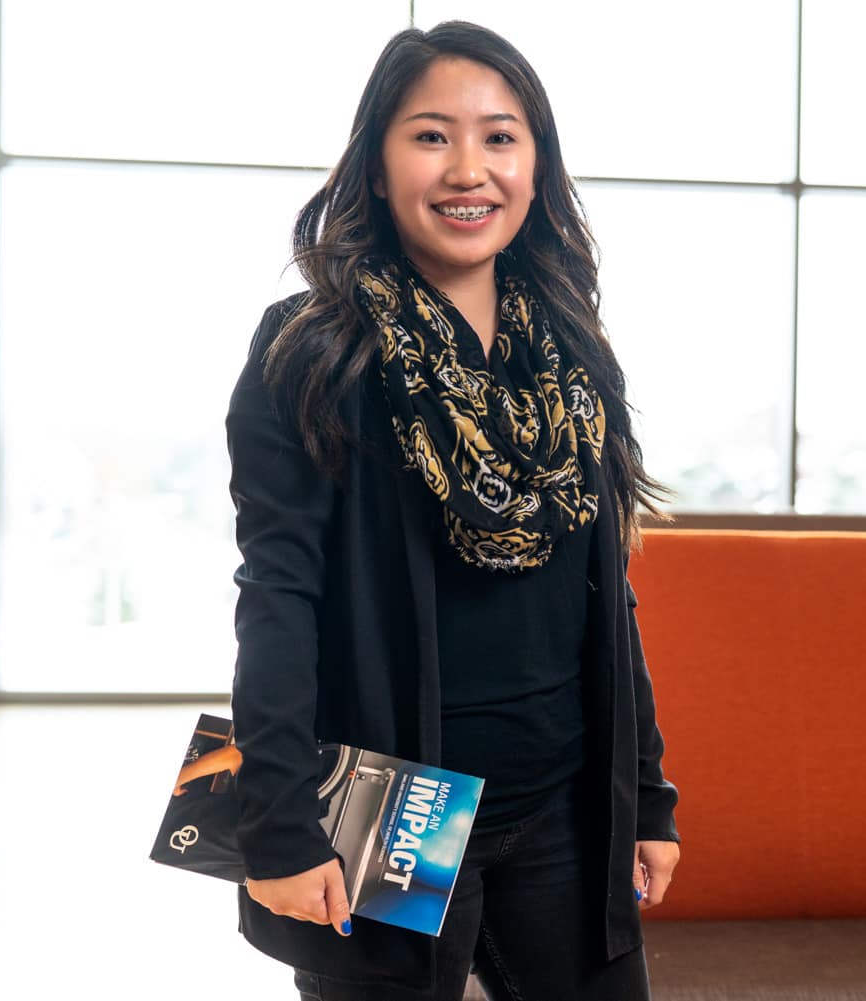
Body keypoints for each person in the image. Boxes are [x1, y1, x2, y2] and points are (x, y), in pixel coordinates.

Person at [223, 19, 681, 1001]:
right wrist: (277, 823)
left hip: (562, 798)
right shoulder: (314, 349)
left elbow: (610, 594)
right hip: (394, 805)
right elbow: (277, 596)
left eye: (500, 136)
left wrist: (644, 793)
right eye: (431, 135)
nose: (469, 167)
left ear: (536, 165)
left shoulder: (567, 346)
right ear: (378, 167)